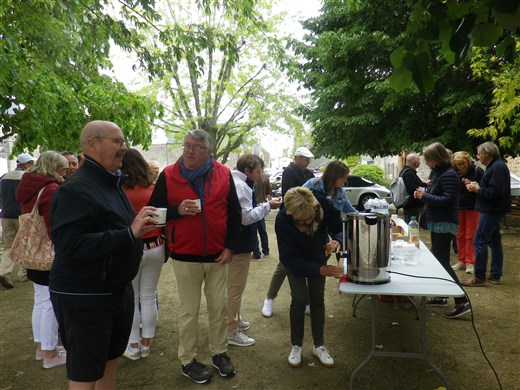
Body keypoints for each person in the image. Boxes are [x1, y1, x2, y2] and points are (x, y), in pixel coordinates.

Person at [49, 120, 157, 389]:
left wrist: (137, 222)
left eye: (123, 142)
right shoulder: (76, 188)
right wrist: (129, 233)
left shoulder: (112, 183)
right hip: (85, 296)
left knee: (109, 359)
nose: (123, 148)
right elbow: (69, 245)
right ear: (92, 144)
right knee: (85, 372)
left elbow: (113, 226)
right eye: (116, 142)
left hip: (114, 290)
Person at [148, 129, 242, 384]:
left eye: (196, 147)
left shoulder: (223, 173)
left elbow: (233, 212)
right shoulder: (169, 174)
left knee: (219, 308)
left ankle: (219, 353)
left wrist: (230, 246)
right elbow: (154, 213)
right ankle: (187, 360)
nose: (188, 151)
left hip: (217, 256)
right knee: (189, 311)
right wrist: (177, 210)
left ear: (208, 151)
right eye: (186, 145)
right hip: (184, 256)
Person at [275, 187, 343, 368]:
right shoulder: (283, 219)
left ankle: (318, 346)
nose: (308, 222)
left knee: (317, 299)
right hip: (295, 261)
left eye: (311, 217)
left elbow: (339, 226)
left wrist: (337, 240)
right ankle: (296, 345)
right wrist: (319, 270)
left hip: (318, 255)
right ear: (292, 213)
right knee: (299, 300)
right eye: (302, 220)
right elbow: (288, 257)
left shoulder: (324, 205)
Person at [16, 151, 69, 369]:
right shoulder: (51, 189)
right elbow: (53, 225)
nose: (65, 173)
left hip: (32, 253)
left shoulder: (29, 185)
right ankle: (49, 353)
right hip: (48, 253)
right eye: (63, 169)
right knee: (49, 301)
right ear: (54, 167)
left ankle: (42, 347)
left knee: (40, 300)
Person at [228, 155, 282, 347]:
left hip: (238, 242)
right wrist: (268, 206)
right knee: (234, 288)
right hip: (239, 243)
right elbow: (246, 217)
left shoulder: (239, 182)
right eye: (258, 171)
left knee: (236, 287)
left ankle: (236, 319)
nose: (260, 175)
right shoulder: (241, 185)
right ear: (247, 170)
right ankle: (230, 329)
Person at [414, 142, 471, 319]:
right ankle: (441, 295)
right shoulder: (440, 173)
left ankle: (462, 301)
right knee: (439, 261)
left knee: (443, 262)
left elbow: (448, 199)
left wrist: (426, 196)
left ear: (436, 159)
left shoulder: (448, 174)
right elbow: (436, 193)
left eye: (428, 160)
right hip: (438, 221)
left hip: (444, 223)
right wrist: (424, 193)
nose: (427, 163)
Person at [261, 146, 315, 318]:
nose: (308, 162)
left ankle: (304, 301)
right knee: (285, 261)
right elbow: (290, 196)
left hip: (305, 219)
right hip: (289, 219)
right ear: (298, 158)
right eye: (306, 159)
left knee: (300, 258)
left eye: (308, 159)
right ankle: (270, 298)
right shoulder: (290, 171)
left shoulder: (307, 173)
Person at [121, 149, 165, 360]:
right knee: (148, 296)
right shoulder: (154, 189)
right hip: (156, 245)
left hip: (130, 247)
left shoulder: (119, 191)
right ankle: (146, 344)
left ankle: (133, 345)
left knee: (132, 298)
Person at [462, 142, 511, 287]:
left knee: (479, 241)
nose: (477, 157)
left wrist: (478, 189)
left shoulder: (497, 167)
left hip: (492, 210)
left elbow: (495, 192)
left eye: (479, 154)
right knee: (494, 242)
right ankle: (495, 275)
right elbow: (492, 188)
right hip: (495, 209)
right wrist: (476, 186)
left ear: (487, 154)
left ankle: (479, 277)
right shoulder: (496, 166)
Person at [0, 152, 35, 288]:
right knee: (25, 243)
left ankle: (4, 271)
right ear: (26, 164)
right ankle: (24, 274)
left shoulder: (4, 177)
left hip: (6, 215)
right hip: (22, 214)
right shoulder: (26, 177)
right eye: (31, 163)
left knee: (9, 246)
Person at [450, 151, 484, 274]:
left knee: (471, 235)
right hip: (458, 206)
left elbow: (483, 187)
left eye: (463, 163)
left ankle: (470, 261)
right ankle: (461, 260)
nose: (461, 166)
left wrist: (473, 186)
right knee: (459, 234)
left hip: (473, 207)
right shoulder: (454, 173)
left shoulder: (477, 171)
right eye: (458, 164)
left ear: (468, 161)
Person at [400, 153, 427, 223]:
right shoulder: (408, 173)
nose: (420, 162)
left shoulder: (405, 171)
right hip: (412, 205)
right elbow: (411, 188)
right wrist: (424, 185)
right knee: (411, 226)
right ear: (415, 163)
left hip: (410, 205)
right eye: (419, 161)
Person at [251, 169, 272, 259]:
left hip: (253, 205)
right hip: (262, 203)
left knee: (254, 230)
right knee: (262, 229)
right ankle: (266, 250)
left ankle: (256, 252)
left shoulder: (252, 176)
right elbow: (269, 190)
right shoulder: (265, 177)